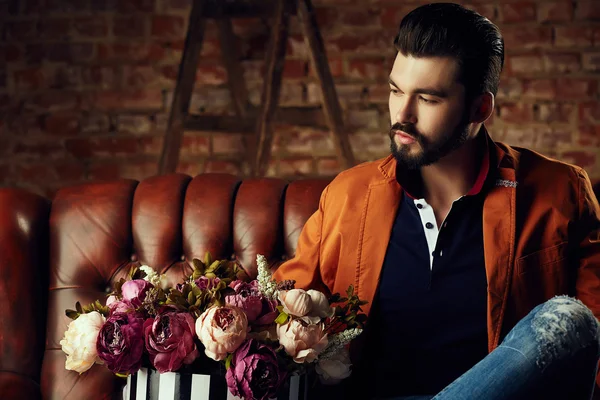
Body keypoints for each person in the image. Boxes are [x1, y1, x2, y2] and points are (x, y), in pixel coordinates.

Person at [272, 3, 600, 399]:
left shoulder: (557, 191)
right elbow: (284, 316)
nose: (402, 114)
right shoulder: (347, 195)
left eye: (427, 99)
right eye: (396, 91)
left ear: (480, 108)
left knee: (569, 321)